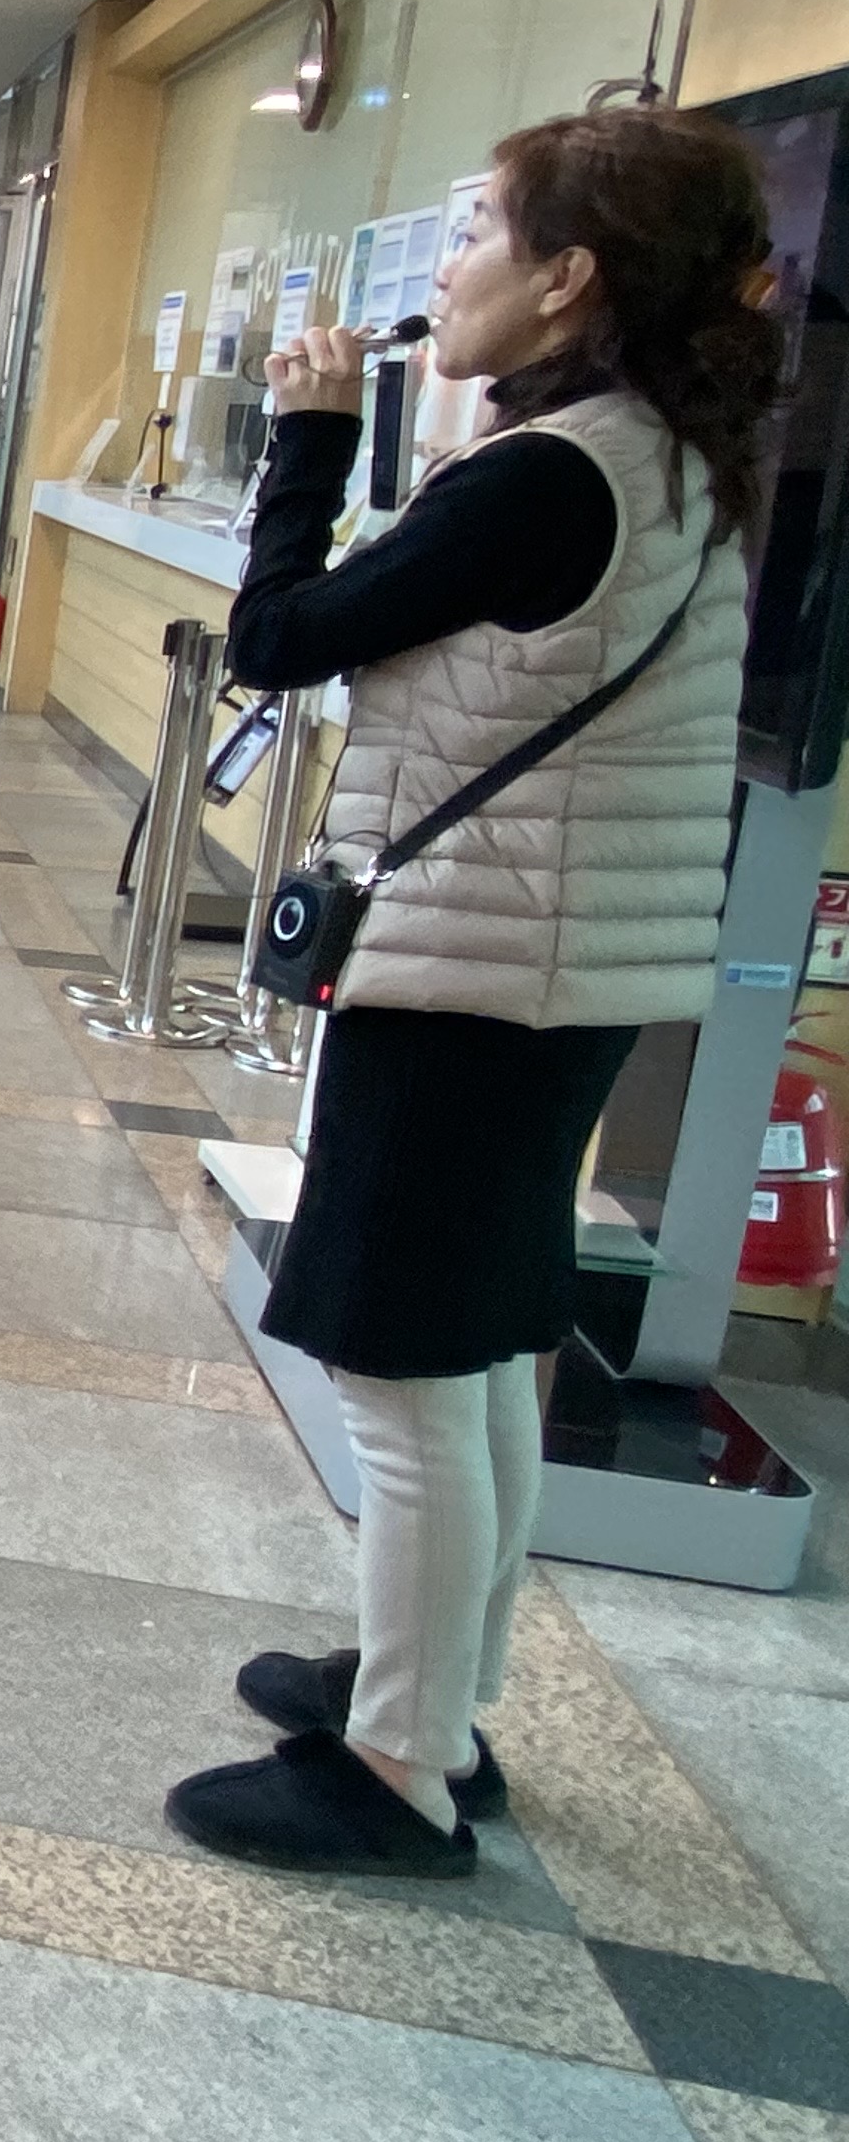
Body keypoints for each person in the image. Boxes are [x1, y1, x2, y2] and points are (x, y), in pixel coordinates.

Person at [166, 111, 770, 1880]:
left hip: (477, 970)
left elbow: (284, 632)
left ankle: (397, 1768)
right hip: (558, 965)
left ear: (568, 276)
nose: (447, 269)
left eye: (478, 232)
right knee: (488, 1342)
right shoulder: (660, 459)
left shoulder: (547, 477)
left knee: (405, 1362)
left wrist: (307, 436)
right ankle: (437, 1690)